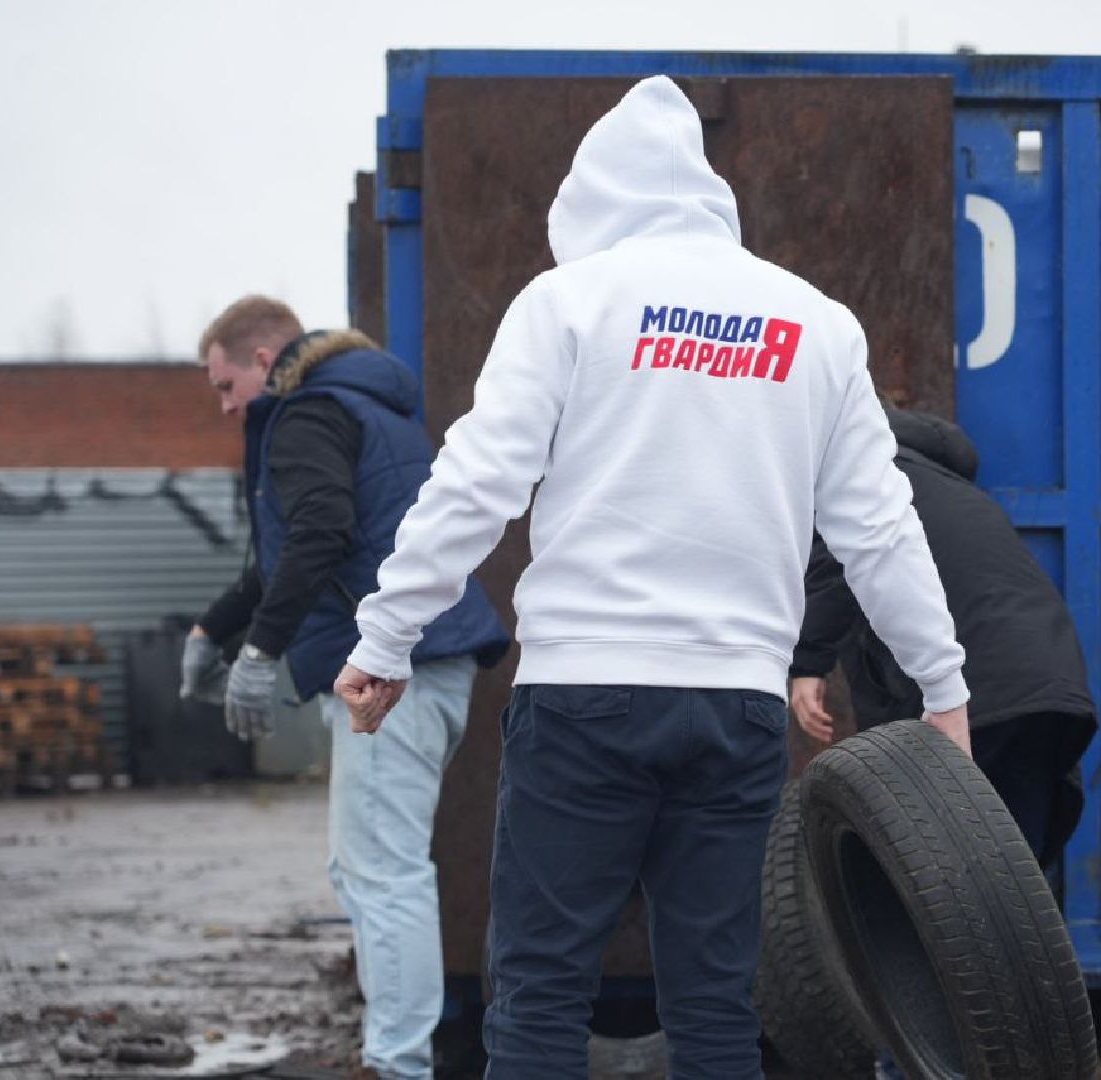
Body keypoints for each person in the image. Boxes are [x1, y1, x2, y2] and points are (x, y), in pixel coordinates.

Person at [332, 76, 968, 1080]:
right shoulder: (814, 323)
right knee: (715, 1007)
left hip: (584, 697)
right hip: (738, 707)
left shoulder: (569, 302)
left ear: (588, 203)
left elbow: (475, 482)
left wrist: (386, 636)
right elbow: (878, 527)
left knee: (540, 993)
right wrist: (943, 688)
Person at [177, 296, 510, 1080]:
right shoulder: (368, 407)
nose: (225, 406)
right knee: (367, 867)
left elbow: (319, 534)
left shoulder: (307, 415)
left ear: (264, 361)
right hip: (427, 662)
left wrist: (260, 651)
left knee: (383, 874)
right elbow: (294, 551)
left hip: (393, 674)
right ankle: (395, 1055)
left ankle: (395, 1065)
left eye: (226, 386)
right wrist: (212, 631)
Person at [791, 405, 1097, 873]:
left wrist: (808, 664)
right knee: (1015, 874)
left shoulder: (862, 474)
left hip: (977, 692)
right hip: (1051, 686)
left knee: (932, 873)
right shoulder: (946, 486)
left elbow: (838, 560)